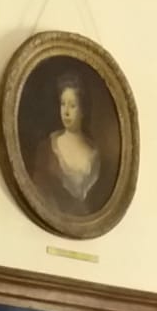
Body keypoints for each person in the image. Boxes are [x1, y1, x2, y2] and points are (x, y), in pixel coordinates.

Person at [33, 70, 101, 213]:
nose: (66, 112)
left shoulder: (95, 154)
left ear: (83, 110)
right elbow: (39, 195)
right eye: (63, 104)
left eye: (72, 105)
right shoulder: (47, 148)